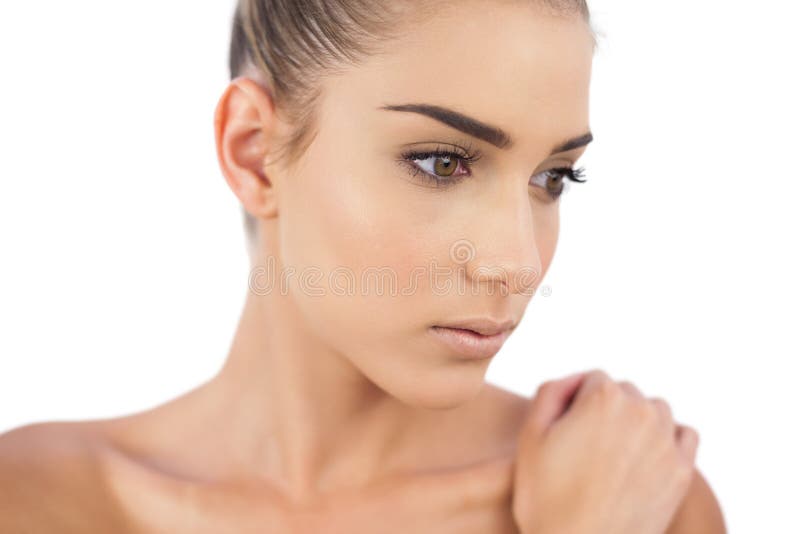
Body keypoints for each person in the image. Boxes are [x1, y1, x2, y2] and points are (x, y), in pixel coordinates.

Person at [0, 1, 727, 532]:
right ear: (254, 152)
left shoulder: (644, 498)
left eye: (553, 177)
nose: (517, 263)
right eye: (443, 163)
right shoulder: (34, 500)